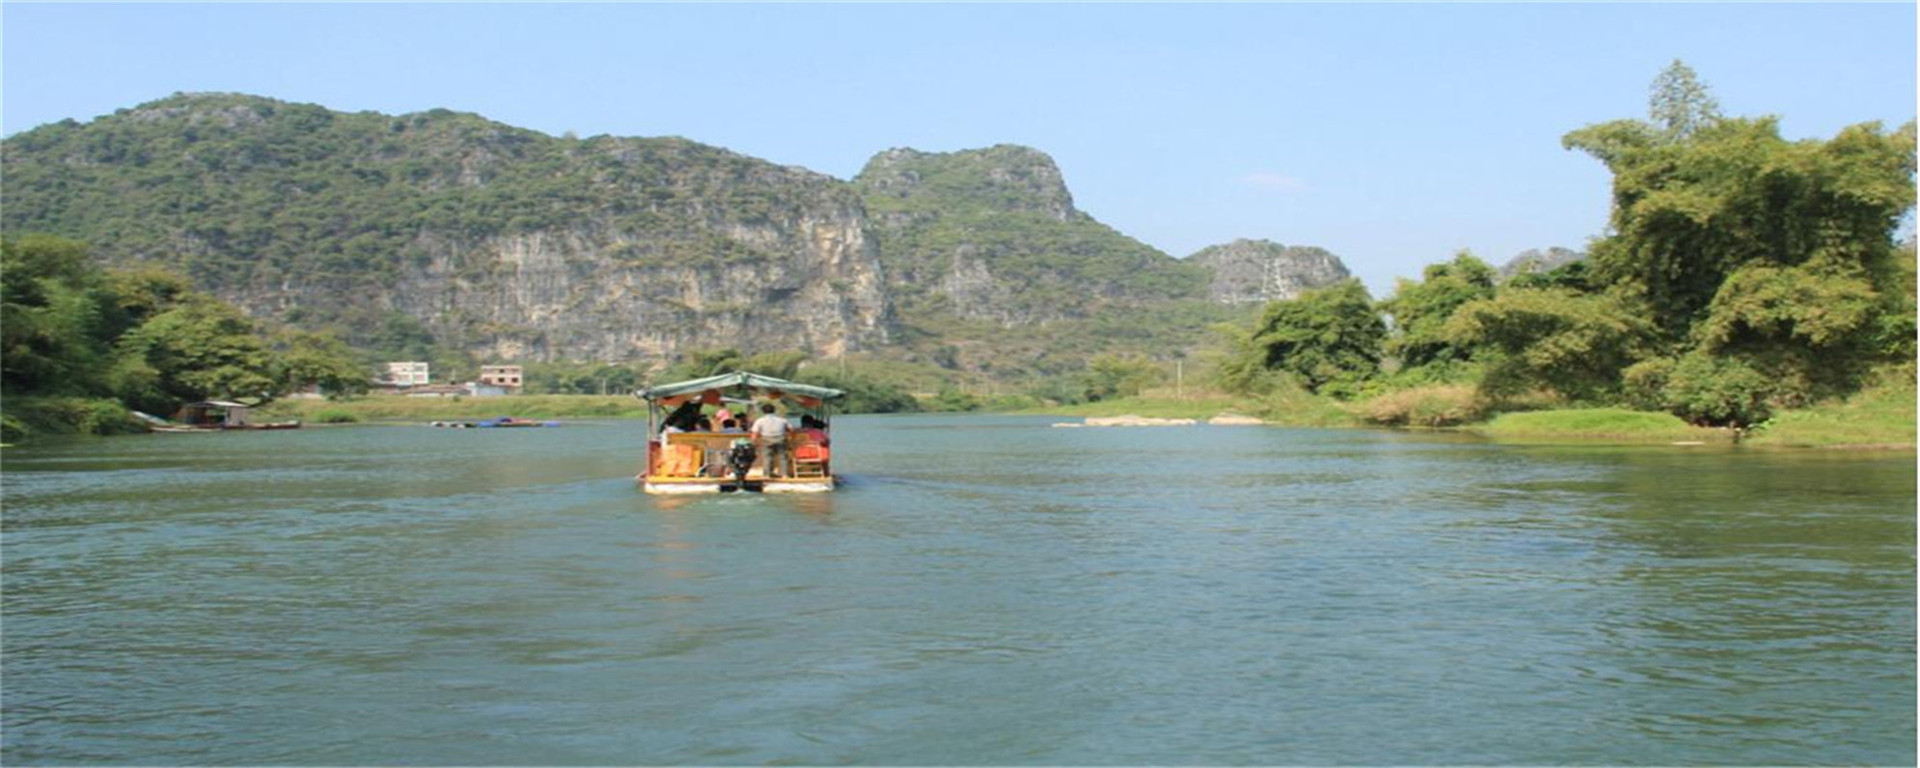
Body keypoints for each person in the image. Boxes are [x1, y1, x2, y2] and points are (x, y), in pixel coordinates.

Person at [749, 403, 793, 478]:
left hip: (767, 439)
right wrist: (789, 437)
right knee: (782, 457)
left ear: (763, 411)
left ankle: (767, 474)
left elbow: (755, 432)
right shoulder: (782, 420)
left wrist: (753, 441)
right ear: (774, 411)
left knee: (767, 457)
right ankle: (784, 474)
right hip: (780, 438)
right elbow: (791, 429)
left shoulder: (760, 420)